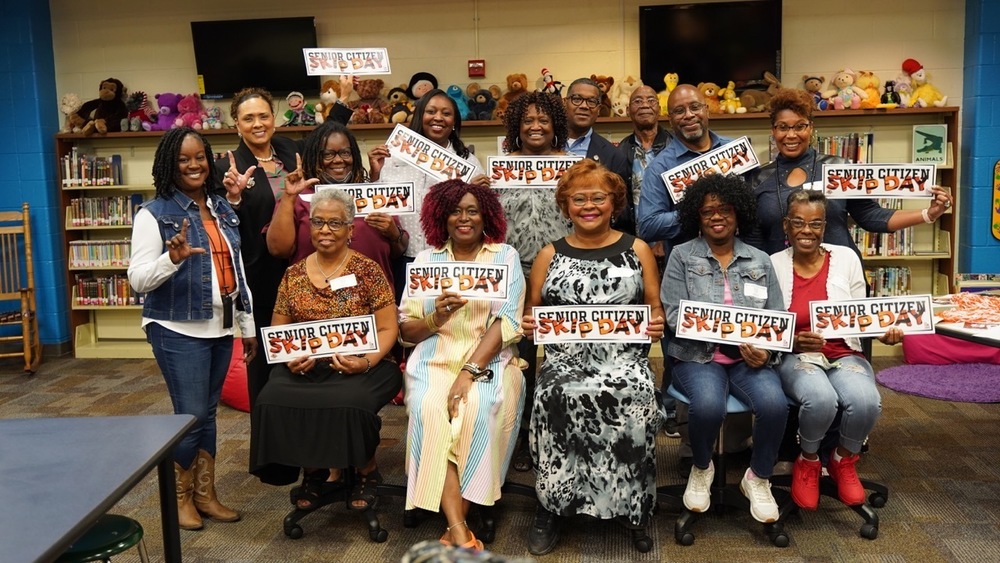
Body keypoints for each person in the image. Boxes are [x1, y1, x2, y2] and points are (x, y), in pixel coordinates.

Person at [520, 159, 665, 556]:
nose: (589, 206)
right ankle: (552, 505)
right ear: (565, 206)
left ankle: (632, 505)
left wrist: (655, 324)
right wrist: (531, 322)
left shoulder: (637, 250)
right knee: (552, 395)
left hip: (623, 359)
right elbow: (531, 312)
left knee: (634, 394)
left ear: (613, 203)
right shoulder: (548, 254)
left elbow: (655, 309)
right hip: (564, 360)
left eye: (598, 198)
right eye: (578, 199)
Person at [128, 127, 257, 531]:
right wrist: (172, 258)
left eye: (199, 156)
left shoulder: (221, 208)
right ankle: (179, 499)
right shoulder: (154, 213)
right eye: (184, 159)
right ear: (170, 163)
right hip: (175, 328)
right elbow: (137, 279)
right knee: (190, 416)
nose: (193, 165)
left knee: (209, 417)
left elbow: (237, 271)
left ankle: (205, 494)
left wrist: (246, 325)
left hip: (220, 327)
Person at [249, 188, 402, 512]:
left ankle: (366, 469)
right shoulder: (293, 274)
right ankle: (313, 471)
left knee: (350, 402)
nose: (325, 230)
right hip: (307, 365)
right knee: (272, 397)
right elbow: (279, 329)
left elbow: (389, 328)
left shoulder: (367, 270)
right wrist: (289, 357)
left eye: (335, 223)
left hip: (366, 364)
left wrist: (365, 362)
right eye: (318, 222)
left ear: (350, 229)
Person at [398, 179, 525, 551]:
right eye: (455, 210)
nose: (464, 218)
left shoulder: (505, 256)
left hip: (489, 358)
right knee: (430, 412)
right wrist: (436, 317)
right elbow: (407, 329)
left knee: (477, 411)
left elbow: (507, 323)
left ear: (486, 215)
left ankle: (454, 528)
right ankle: (459, 532)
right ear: (442, 215)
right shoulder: (426, 261)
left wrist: (469, 374)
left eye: (472, 210)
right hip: (433, 359)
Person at [215, 81, 353, 411]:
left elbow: (324, 140)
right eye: (249, 119)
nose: (258, 124)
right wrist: (234, 197)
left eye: (263, 116)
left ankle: (312, 450)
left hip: (306, 270)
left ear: (274, 118)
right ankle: (272, 458)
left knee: (308, 362)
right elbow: (222, 222)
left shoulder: (290, 149)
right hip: (263, 276)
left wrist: (343, 102)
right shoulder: (227, 166)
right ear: (237, 123)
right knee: (266, 368)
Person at [662, 173, 788, 524]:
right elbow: (673, 313)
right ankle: (703, 467)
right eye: (707, 212)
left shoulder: (761, 259)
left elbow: (777, 317)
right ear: (696, 218)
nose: (716, 217)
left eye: (725, 210)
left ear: (739, 214)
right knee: (707, 405)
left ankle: (758, 477)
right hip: (698, 357)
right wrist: (724, 334)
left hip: (751, 360)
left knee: (774, 405)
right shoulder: (682, 257)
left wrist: (766, 352)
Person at [769, 190, 902, 510]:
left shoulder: (846, 258)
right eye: (798, 222)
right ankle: (809, 459)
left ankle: (843, 458)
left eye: (815, 223)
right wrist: (794, 341)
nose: (807, 230)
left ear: (825, 226)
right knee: (821, 399)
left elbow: (862, 313)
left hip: (845, 354)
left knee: (866, 400)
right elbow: (767, 326)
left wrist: (883, 331)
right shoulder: (772, 264)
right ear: (786, 225)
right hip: (797, 356)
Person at [745, 87, 954, 257]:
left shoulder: (840, 169)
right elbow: (753, 240)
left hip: (840, 278)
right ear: (773, 131)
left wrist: (928, 214)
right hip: (783, 281)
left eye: (800, 126)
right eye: (783, 127)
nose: (791, 135)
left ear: (811, 128)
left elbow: (872, 216)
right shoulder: (758, 178)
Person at [637, 83, 735, 442]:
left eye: (694, 107)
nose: (688, 116)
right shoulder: (660, 166)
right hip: (687, 269)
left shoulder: (734, 152)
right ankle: (693, 449)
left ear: (707, 108)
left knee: (737, 349)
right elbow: (647, 224)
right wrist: (695, 211)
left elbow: (750, 210)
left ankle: (736, 443)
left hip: (735, 266)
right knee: (688, 352)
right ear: (670, 118)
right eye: (679, 111)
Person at [495, 90, 570, 472]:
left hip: (566, 269)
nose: (535, 126)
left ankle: (556, 432)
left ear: (555, 125)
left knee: (562, 357)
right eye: (527, 121)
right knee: (519, 357)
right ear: (516, 128)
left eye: (543, 120)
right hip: (515, 272)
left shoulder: (573, 168)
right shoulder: (501, 168)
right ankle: (520, 436)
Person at [367, 89, 490, 301]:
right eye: (431, 111)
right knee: (406, 323)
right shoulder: (393, 155)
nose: (438, 118)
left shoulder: (468, 163)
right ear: (419, 116)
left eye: (446, 113)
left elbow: (481, 214)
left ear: (454, 121)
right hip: (402, 257)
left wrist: (482, 193)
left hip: (450, 261)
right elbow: (377, 205)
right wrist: (375, 174)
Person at [265, 120, 408, 285]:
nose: (339, 160)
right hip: (316, 301)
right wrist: (289, 197)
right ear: (314, 157)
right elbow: (278, 250)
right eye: (328, 154)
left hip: (374, 302)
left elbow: (399, 250)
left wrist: (393, 233)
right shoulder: (298, 197)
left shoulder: (373, 196)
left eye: (346, 153)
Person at [563, 78, 633, 233]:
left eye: (591, 101)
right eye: (576, 99)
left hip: (593, 241)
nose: (584, 106)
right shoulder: (544, 147)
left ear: (599, 108)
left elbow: (623, 211)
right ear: (564, 102)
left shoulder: (613, 156)